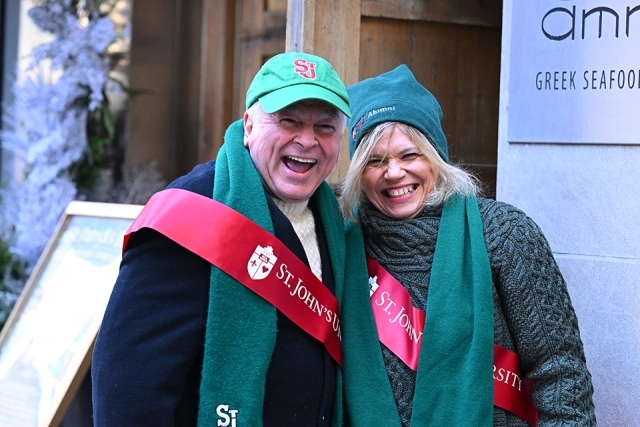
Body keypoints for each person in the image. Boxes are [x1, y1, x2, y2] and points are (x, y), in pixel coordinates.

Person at [92, 52, 354, 427]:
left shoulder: (334, 219)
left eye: (325, 127)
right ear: (248, 126)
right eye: (289, 121)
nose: (307, 140)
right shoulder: (192, 212)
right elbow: (127, 387)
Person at [339, 65, 596, 426]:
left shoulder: (505, 234)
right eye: (375, 161)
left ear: (436, 156)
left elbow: (561, 376)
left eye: (409, 155)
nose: (393, 172)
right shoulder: (344, 246)